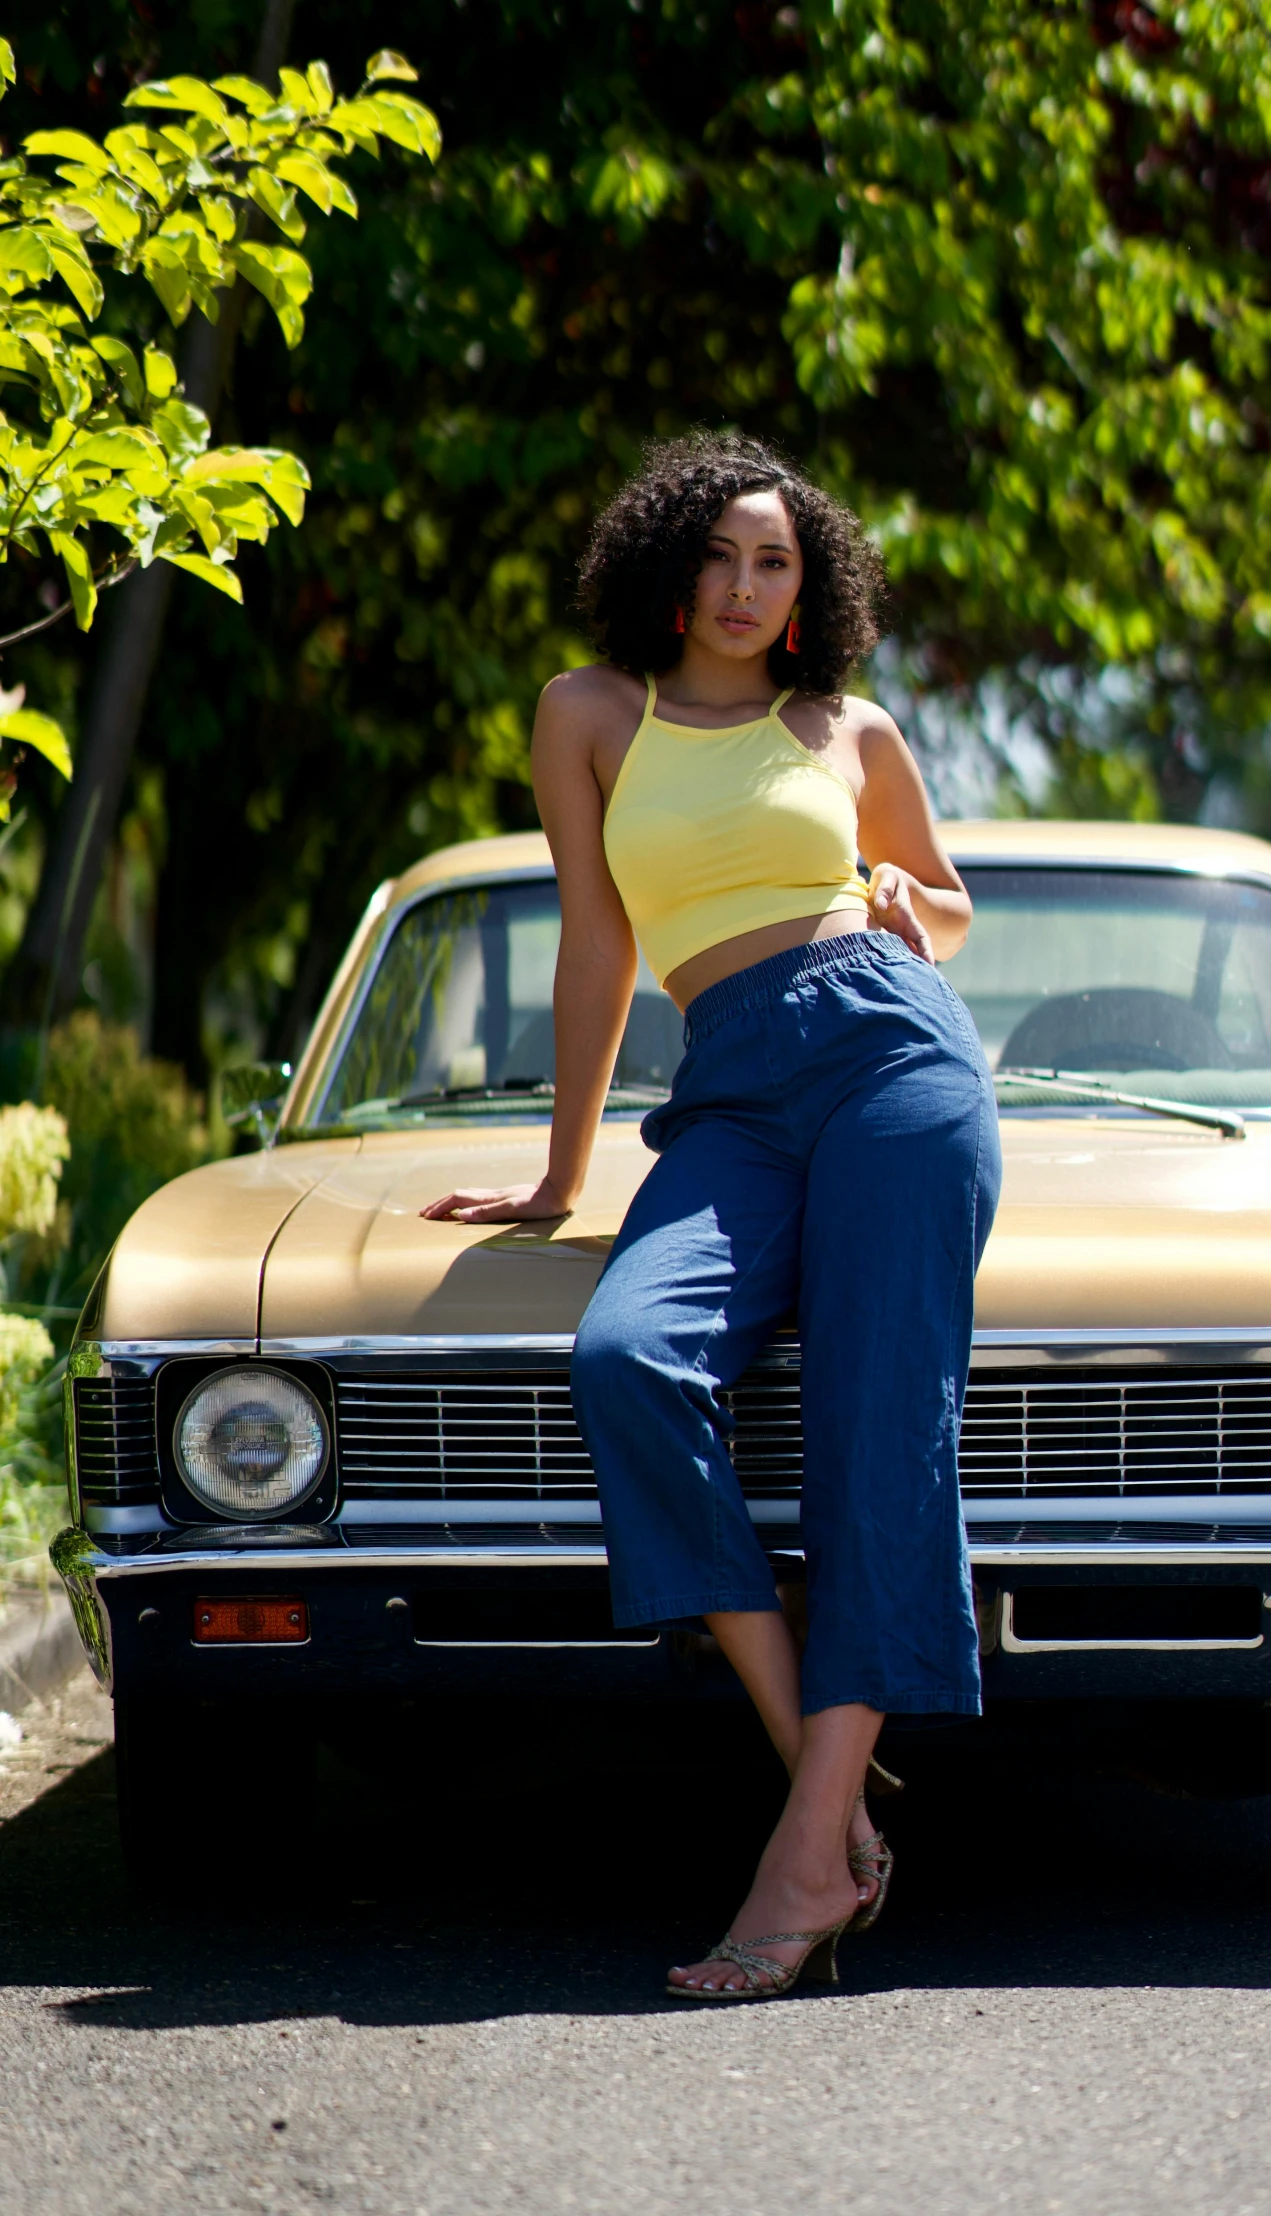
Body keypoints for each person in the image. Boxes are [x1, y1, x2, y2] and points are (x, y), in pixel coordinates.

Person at [422, 432, 1000, 1999]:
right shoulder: (588, 715)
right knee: (626, 1357)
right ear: (666, 565)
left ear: (809, 591)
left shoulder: (848, 729)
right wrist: (562, 1176)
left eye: (776, 563)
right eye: (721, 555)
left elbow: (946, 902)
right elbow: (598, 947)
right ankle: (808, 1722)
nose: (745, 588)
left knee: (881, 1425)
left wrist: (902, 904)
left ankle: (811, 1851)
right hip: (732, 1088)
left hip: (892, 1055)